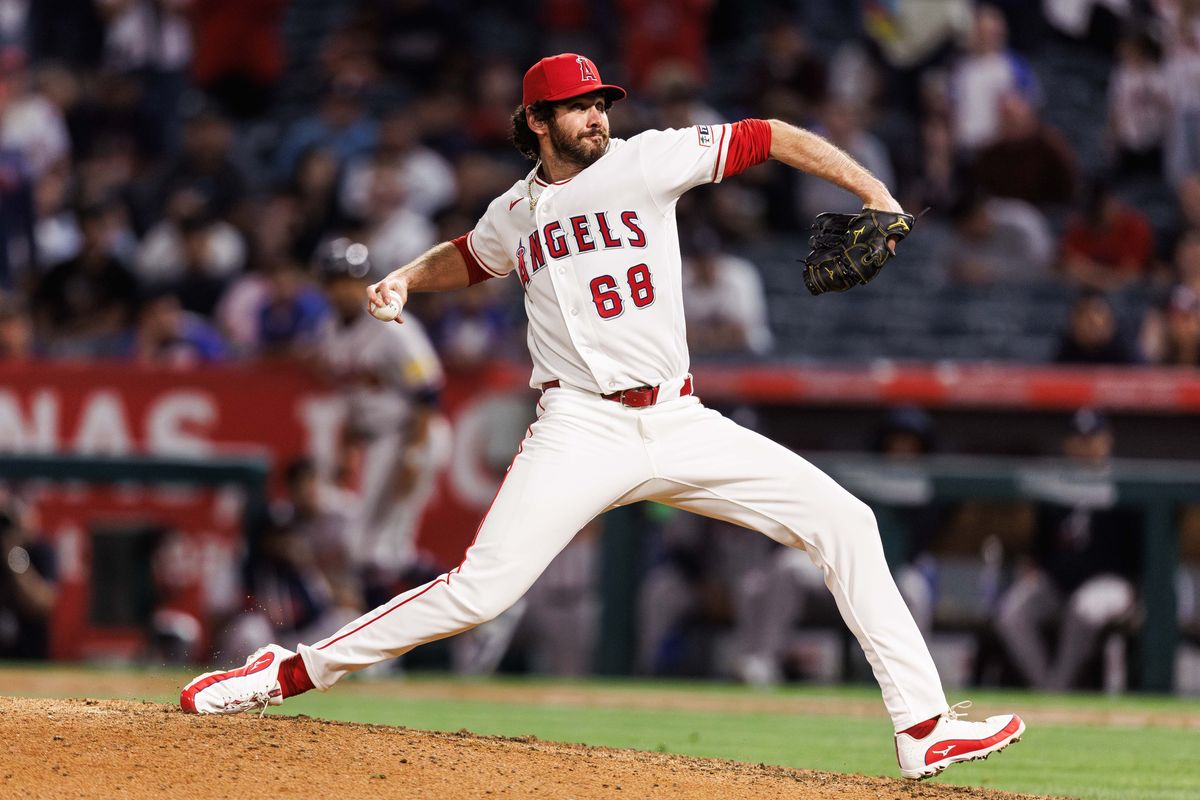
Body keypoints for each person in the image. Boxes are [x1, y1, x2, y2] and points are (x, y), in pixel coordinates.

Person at [181, 52, 1024, 781]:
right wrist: (404, 277)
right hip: (580, 427)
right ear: (538, 120)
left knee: (847, 521)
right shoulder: (514, 211)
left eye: (600, 102)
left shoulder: (649, 159)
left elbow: (771, 132)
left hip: (682, 419)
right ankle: (291, 670)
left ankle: (923, 728)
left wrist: (874, 190)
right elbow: (470, 257)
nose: (596, 116)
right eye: (580, 106)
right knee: (481, 592)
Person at [994, 409, 1141, 691]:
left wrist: (1138, 587)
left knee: (1083, 609)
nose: (1084, 446)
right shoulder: (1056, 485)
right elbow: (1040, 545)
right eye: (1078, 439)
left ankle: (1058, 687)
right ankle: (1047, 688)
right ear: (1067, 444)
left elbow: (1143, 548)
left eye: (1092, 439)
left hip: (1111, 583)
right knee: (1012, 613)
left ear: (1106, 441)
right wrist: (1035, 570)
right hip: (1059, 583)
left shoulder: (1125, 485)